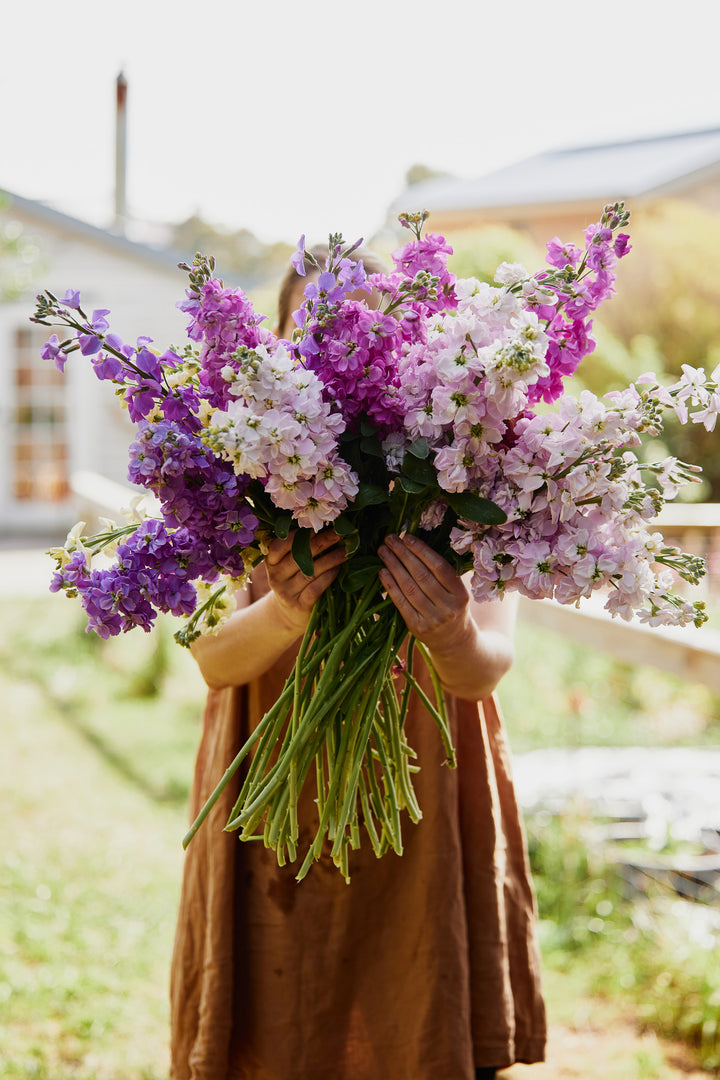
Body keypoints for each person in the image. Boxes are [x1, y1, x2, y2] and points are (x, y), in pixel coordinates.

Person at [169, 249, 547, 1080]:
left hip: (430, 789)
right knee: (277, 1015)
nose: (345, 339)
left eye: (375, 318)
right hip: (273, 777)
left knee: (421, 993)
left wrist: (447, 630)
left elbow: (487, 667)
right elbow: (211, 660)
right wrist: (288, 608)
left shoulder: (475, 462)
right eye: (318, 322)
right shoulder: (234, 465)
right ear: (277, 343)